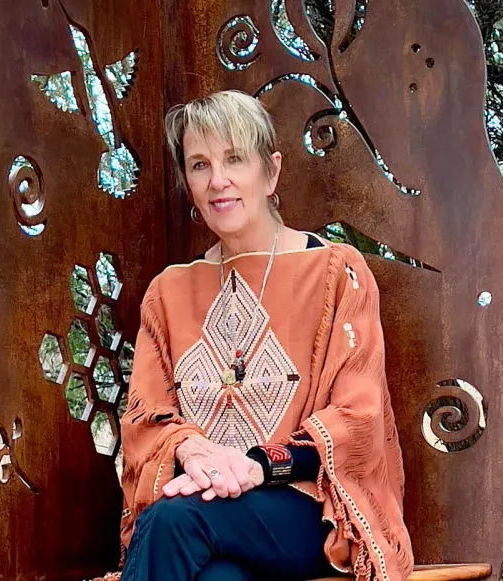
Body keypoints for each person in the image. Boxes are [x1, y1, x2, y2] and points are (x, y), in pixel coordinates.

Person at [116, 90, 413, 581]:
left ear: (271, 171)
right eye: (199, 165)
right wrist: (192, 452)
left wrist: (258, 467)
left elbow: (358, 420)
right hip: (204, 510)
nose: (218, 181)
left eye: (235, 159)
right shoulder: (166, 294)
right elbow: (146, 422)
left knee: (173, 520)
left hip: (307, 507)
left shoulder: (338, 273)